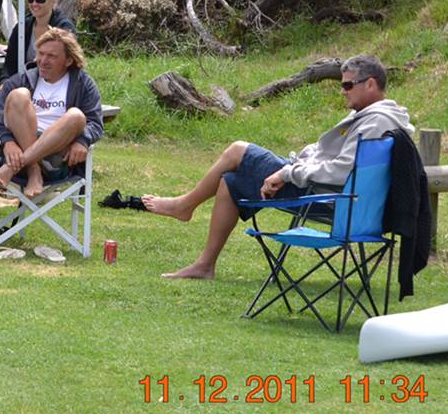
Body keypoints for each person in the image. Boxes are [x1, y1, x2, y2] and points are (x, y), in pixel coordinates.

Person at [143, 53, 413, 280]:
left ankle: (184, 206)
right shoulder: (377, 118)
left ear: (370, 84)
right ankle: (204, 266)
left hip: (327, 198)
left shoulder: (376, 121)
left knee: (237, 150)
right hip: (334, 196)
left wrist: (287, 172)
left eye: (348, 85)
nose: (343, 91)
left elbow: (342, 171)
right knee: (230, 181)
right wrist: (300, 161)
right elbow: (335, 158)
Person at [0, 28, 104, 198]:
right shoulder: (22, 80)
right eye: (41, 54)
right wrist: (8, 142)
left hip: (57, 156)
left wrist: (83, 140)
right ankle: (33, 170)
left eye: (51, 56)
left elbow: (95, 123)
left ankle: (16, 168)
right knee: (18, 95)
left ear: (68, 60)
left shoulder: (82, 83)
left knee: (76, 116)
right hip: (18, 150)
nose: (43, 61)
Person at [1, 0, 76, 81]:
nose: (34, 4)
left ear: (53, 0)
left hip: (54, 82)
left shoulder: (64, 27)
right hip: (24, 82)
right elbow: (10, 63)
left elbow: (66, 62)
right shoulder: (22, 26)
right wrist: (5, 82)